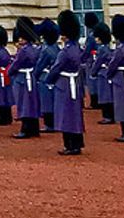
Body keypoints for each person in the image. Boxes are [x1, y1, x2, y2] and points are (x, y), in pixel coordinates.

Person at [46, 10, 85, 156]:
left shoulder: (65, 51)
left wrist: (49, 80)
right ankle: (76, 143)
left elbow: (56, 68)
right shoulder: (76, 48)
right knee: (74, 114)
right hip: (74, 82)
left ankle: (70, 145)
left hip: (64, 84)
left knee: (66, 114)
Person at [10, 16, 41, 139]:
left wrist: (9, 72)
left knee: (24, 104)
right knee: (32, 103)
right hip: (31, 77)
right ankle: (34, 128)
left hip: (22, 78)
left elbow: (15, 65)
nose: (20, 40)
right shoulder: (35, 49)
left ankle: (26, 129)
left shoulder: (23, 51)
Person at [34, 20, 60, 133]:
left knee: (47, 102)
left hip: (45, 77)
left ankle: (49, 124)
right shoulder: (56, 47)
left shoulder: (45, 50)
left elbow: (39, 66)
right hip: (54, 77)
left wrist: (35, 76)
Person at [91, 22, 115, 125]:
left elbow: (98, 63)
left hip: (102, 74)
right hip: (107, 73)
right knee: (108, 96)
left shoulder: (101, 49)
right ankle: (110, 115)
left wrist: (93, 72)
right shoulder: (107, 47)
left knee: (105, 96)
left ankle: (108, 117)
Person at [82, 12, 100, 109]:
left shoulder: (91, 35)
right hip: (97, 58)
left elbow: (87, 50)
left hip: (92, 60)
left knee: (91, 81)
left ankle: (94, 102)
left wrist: (81, 58)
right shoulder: (98, 32)